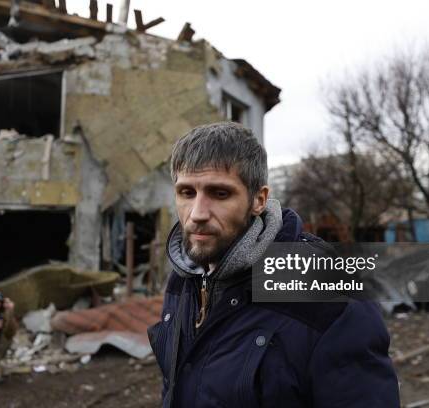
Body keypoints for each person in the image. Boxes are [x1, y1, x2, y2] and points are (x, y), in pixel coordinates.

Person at [148, 122, 400, 407]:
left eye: (220, 194)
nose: (197, 214)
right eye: (186, 193)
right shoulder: (185, 276)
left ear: (258, 200)